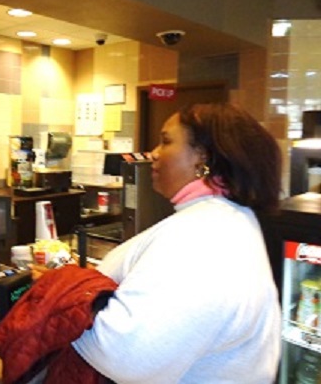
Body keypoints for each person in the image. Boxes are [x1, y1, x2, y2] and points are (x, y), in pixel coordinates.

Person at [70, 102, 282, 383]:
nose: (153, 153)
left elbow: (129, 356)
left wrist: (60, 302)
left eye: (166, 141)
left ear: (202, 158)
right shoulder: (223, 220)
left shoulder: (205, 236)